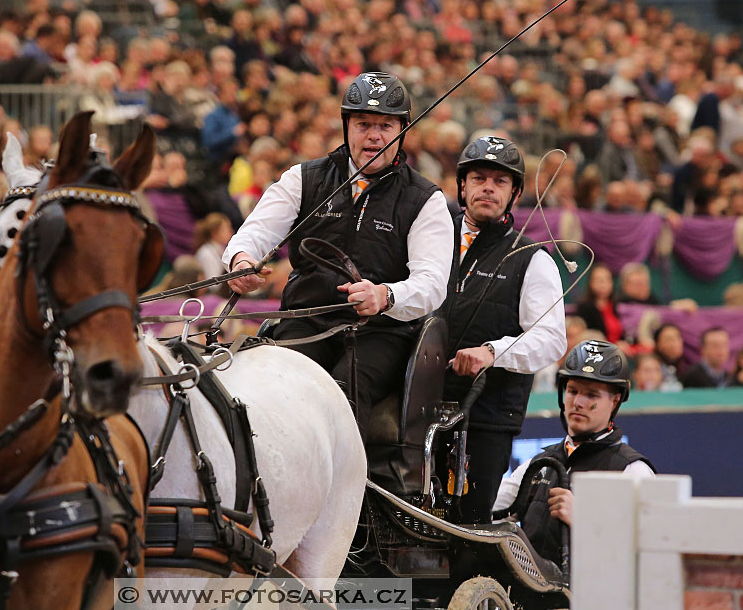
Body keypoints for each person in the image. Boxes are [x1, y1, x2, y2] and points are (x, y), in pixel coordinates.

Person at [223, 72, 454, 441]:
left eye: (385, 126)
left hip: (380, 333)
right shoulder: (304, 178)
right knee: (274, 390)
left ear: (402, 131)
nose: (374, 136)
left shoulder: (425, 199)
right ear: (347, 127)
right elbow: (254, 233)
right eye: (363, 124)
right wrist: (241, 260)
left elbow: (431, 283)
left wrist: (385, 295)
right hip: (305, 319)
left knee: (339, 397)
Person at [441, 135, 567, 523]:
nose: (487, 188)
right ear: (462, 186)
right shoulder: (429, 240)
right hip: (417, 408)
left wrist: (493, 352)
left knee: (465, 529)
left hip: (486, 418)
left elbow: (550, 339)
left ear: (514, 193)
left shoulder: (532, 259)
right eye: (479, 178)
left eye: (500, 182)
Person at [493, 340, 656, 565]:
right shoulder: (540, 463)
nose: (578, 402)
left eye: (592, 395)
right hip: (530, 593)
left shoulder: (633, 470)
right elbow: (490, 510)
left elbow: (650, 548)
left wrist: (582, 518)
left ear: (615, 400)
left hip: (593, 596)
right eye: (572, 391)